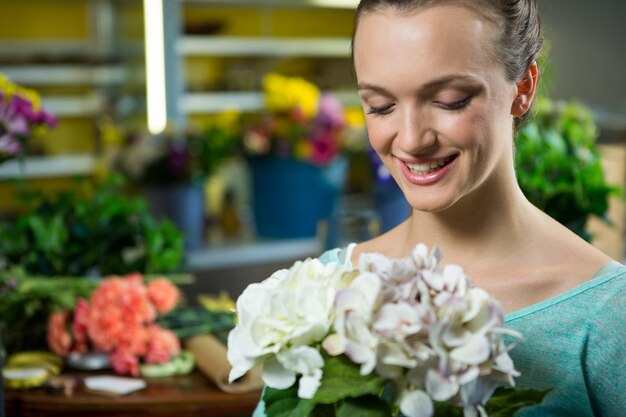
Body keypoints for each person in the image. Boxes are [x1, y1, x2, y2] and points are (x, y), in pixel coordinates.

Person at [253, 0, 626, 416]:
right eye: (380, 106)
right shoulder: (325, 291)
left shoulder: (609, 317)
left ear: (522, 88)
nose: (410, 140)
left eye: (449, 100)